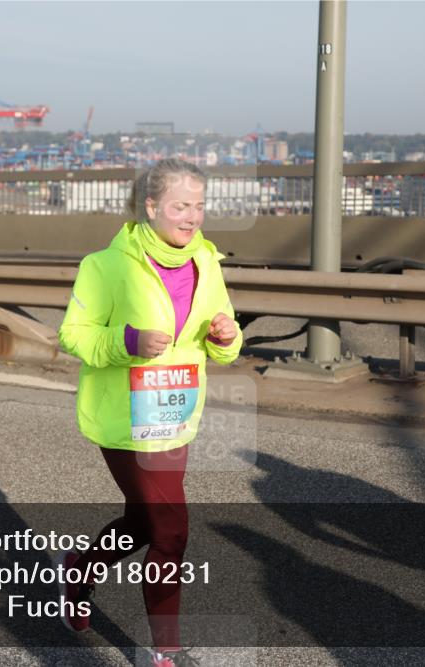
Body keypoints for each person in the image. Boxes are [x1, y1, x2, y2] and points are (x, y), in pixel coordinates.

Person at [57, 159, 242, 667]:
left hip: (175, 417)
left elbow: (224, 343)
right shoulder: (105, 265)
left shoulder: (207, 261)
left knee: (143, 523)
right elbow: (73, 334)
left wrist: (227, 336)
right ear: (152, 206)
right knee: (171, 530)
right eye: (181, 207)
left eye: (200, 206)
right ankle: (167, 652)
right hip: (124, 419)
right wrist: (128, 341)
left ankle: (79, 571)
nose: (192, 218)